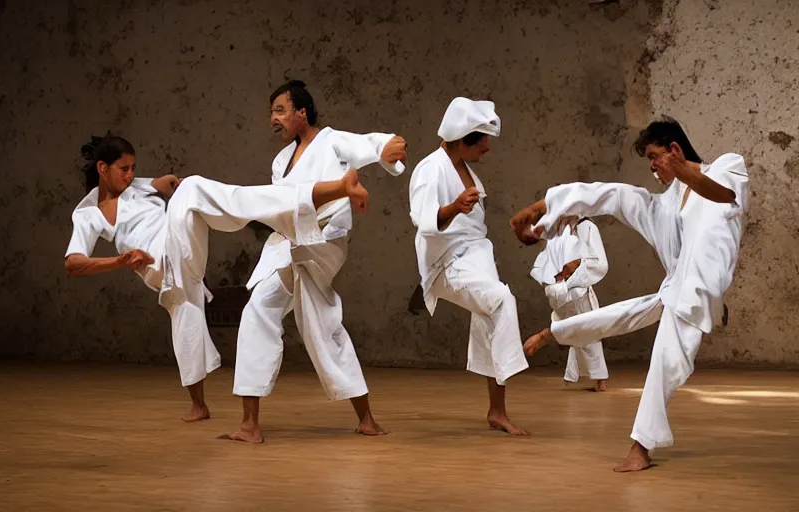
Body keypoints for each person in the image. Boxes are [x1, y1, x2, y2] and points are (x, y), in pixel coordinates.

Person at [64, 134, 372, 423]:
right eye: (123, 169)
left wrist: (171, 183)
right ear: (103, 169)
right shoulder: (89, 213)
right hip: (161, 267)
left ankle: (321, 193)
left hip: (180, 248)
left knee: (192, 189)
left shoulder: (138, 187)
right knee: (185, 312)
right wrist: (118, 261)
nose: (130, 175)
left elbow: (165, 183)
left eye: (133, 168)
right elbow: (74, 264)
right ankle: (198, 405)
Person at [509, 116, 749, 471]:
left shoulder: (728, 166)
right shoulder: (663, 206)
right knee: (618, 317)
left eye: (655, 157)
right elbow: (607, 195)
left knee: (664, 363)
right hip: (676, 290)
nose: (652, 167)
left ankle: (640, 448)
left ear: (675, 149)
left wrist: (683, 170)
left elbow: (725, 195)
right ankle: (552, 332)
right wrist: (541, 208)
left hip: (700, 290)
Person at [226, 80, 408, 443]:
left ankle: (363, 417)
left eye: (279, 111)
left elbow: (371, 144)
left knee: (316, 321)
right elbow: (284, 204)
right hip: (288, 244)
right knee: (270, 314)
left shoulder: (331, 141)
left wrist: (389, 147)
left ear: (301, 113)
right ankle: (252, 423)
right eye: (272, 113)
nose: (273, 119)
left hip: (324, 243)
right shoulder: (281, 162)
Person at [407, 97, 530, 436]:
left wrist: (461, 208)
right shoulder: (430, 170)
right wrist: (454, 207)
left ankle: (497, 411)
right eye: (483, 143)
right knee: (502, 301)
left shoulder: (464, 168)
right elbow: (425, 220)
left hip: (476, 255)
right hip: (448, 262)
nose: (487, 150)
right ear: (464, 140)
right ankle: (515, 363)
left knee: (488, 320)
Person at [528, 218, 609, 391]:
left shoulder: (587, 227)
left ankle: (599, 380)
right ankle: (586, 377)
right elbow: (532, 236)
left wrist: (576, 265)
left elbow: (599, 263)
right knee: (577, 333)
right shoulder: (554, 227)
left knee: (589, 331)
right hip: (559, 289)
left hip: (578, 288)